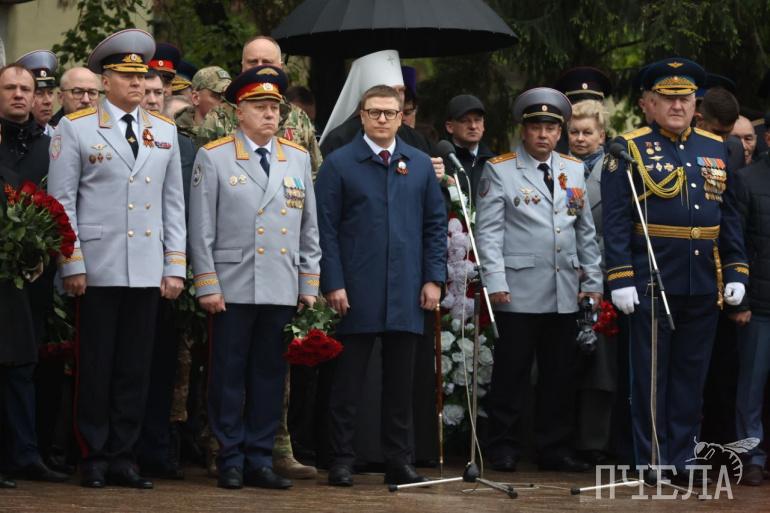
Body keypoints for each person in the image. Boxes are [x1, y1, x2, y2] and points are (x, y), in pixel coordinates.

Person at [48, 28, 187, 489]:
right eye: (126, 76)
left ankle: (124, 456)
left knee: (135, 368)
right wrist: (72, 262)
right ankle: (93, 455)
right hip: (98, 266)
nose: (136, 83)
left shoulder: (164, 130)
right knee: (95, 367)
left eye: (140, 76)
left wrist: (174, 265)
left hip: (146, 267)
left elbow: (173, 204)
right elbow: (62, 202)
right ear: (105, 81)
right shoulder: (76, 127)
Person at [601, 58, 748, 485]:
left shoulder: (716, 147)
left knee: (690, 374)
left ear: (696, 103)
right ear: (648, 103)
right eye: (667, 98)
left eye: (685, 98)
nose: (678, 106)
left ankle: (684, 457)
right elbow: (616, 221)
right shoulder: (627, 148)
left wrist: (737, 270)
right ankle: (653, 459)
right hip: (652, 277)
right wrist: (620, 276)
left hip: (702, 279)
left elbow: (729, 216)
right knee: (651, 377)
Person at [194, 35, 321, 480]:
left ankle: (261, 458)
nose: (270, 114)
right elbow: (201, 229)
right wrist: (206, 283)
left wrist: (308, 282)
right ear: (239, 112)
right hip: (232, 284)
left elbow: (309, 226)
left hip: (279, 282)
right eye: (260, 107)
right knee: (228, 376)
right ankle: (230, 458)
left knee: (269, 376)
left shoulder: (297, 158)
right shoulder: (214, 157)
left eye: (275, 108)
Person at [316, 84, 446, 487]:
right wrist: (333, 282)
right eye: (374, 112)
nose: (383, 119)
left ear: (402, 117)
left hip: (407, 288)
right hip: (355, 289)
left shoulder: (419, 164)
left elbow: (435, 225)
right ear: (362, 115)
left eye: (391, 112)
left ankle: (399, 460)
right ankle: (341, 458)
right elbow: (324, 230)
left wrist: (434, 278)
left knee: (400, 384)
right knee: (348, 381)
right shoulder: (339, 163)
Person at [475, 87, 602, 473]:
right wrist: (495, 280)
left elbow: (584, 230)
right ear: (524, 130)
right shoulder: (500, 169)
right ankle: (502, 445)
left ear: (560, 132)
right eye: (536, 127)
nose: (543, 135)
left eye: (550, 128)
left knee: (559, 374)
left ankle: (554, 447)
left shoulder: (573, 169)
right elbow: (488, 233)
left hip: (564, 289)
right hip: (517, 288)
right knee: (511, 372)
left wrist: (592, 281)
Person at [0, 63, 68, 486]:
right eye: (10, 87)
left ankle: (26, 452)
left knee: (25, 363)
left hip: (33, 273)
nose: (19, 94)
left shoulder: (51, 145)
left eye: (25, 88)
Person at [566, 99, 617, 464]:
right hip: (559, 277)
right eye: (574, 132)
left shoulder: (615, 173)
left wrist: (593, 267)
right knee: (561, 363)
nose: (580, 139)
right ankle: (560, 440)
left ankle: (594, 443)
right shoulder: (556, 168)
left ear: (602, 135)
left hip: (602, 278)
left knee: (600, 366)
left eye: (587, 132)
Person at [195, 36, 322, 180]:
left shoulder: (299, 118)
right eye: (253, 62)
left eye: (267, 62)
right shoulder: (218, 117)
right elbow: (203, 173)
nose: (260, 67)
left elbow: (314, 174)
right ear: (243, 66)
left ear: (280, 66)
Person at [730, 147, 770, 486]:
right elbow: (735, 242)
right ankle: (752, 456)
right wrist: (739, 302)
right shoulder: (747, 179)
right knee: (751, 388)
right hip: (759, 304)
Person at [443, 94, 495, 197]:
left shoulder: (495, 163)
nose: (473, 126)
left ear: (483, 125)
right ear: (450, 127)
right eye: (464, 121)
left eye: (477, 120)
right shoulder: (440, 164)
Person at [174, 66, 231, 141]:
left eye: (229, 96)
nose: (225, 101)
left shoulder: (238, 132)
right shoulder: (175, 134)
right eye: (217, 95)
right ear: (196, 98)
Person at [15, 50, 58, 135]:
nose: (48, 101)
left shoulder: (61, 135)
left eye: (50, 93)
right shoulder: (14, 137)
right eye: (39, 93)